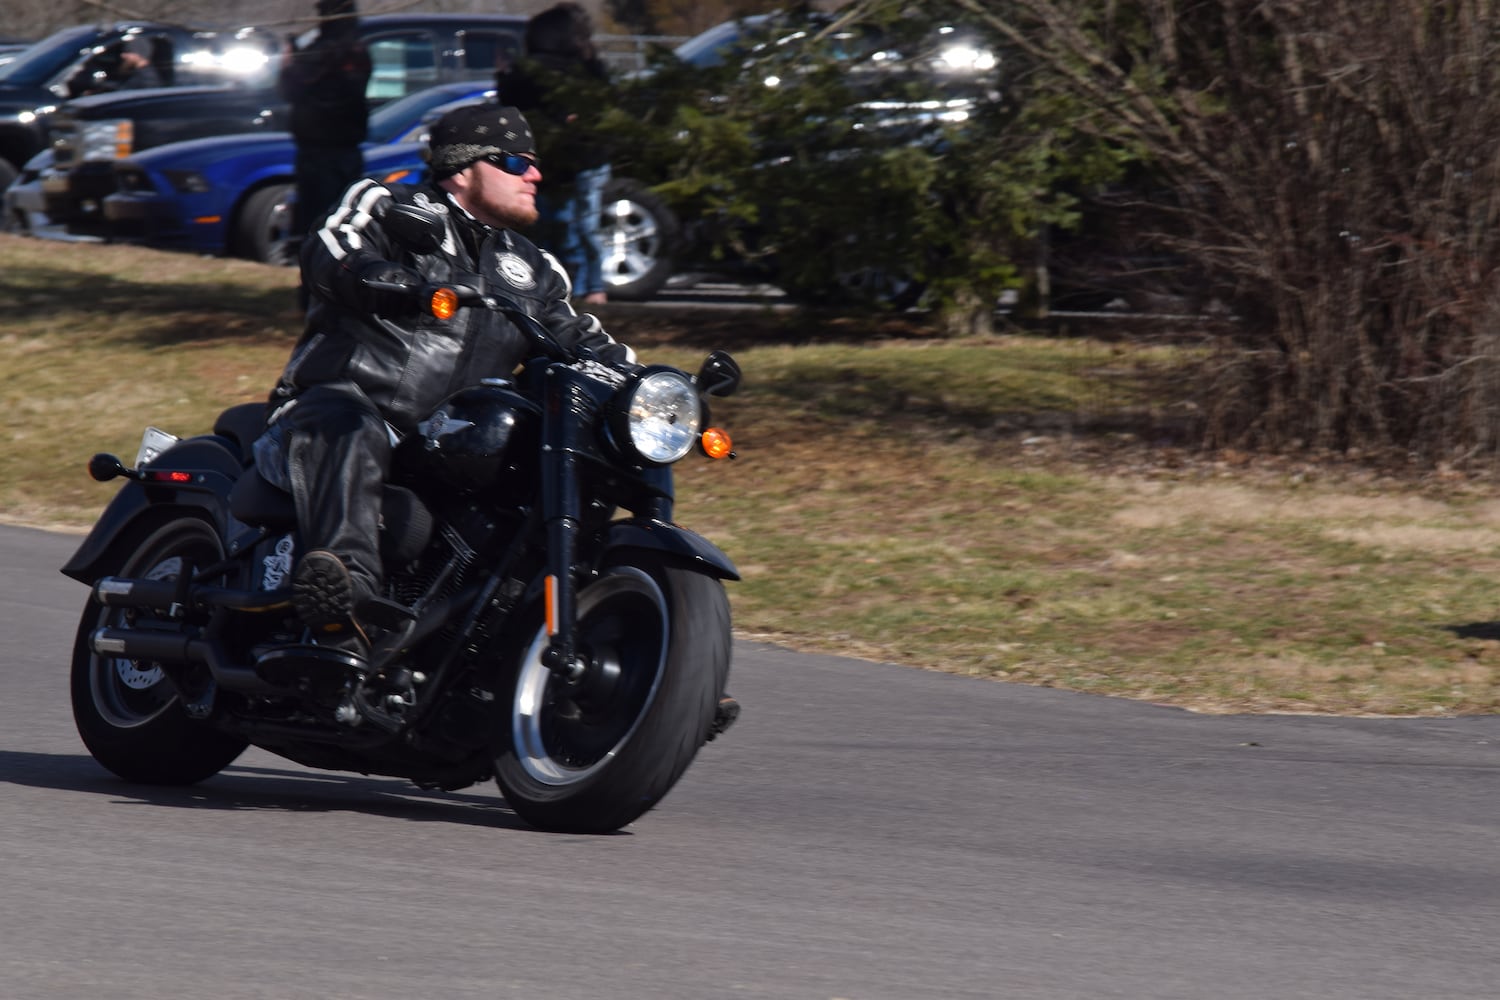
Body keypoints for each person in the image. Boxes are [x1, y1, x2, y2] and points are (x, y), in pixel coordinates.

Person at [253, 103, 635, 658]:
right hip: (341, 411)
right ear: (462, 169)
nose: (535, 174)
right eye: (514, 161)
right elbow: (333, 250)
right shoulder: (387, 207)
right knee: (351, 422)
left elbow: (584, 341)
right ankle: (343, 598)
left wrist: (651, 388)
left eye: (532, 162)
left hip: (444, 443)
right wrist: (387, 280)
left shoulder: (535, 269)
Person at [496, 2, 614, 305]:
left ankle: (592, 287)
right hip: (558, 161)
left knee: (580, 226)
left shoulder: (585, 67)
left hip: (581, 160)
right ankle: (570, 286)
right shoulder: (539, 70)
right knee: (565, 226)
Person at [278, 0, 373, 246]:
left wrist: (290, 61)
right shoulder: (344, 49)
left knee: (325, 211)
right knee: (328, 208)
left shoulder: (335, 51)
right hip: (328, 144)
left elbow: (293, 86)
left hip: (328, 146)